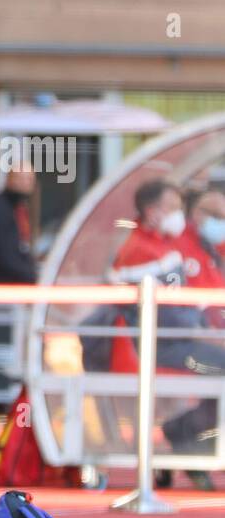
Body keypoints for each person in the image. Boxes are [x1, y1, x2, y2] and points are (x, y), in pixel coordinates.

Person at [111, 179, 224, 490]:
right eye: (174, 208)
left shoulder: (163, 246)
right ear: (152, 211)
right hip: (164, 346)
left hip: (181, 339)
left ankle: (185, 434)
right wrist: (207, 335)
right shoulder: (142, 250)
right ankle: (188, 437)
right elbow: (173, 313)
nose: (181, 216)